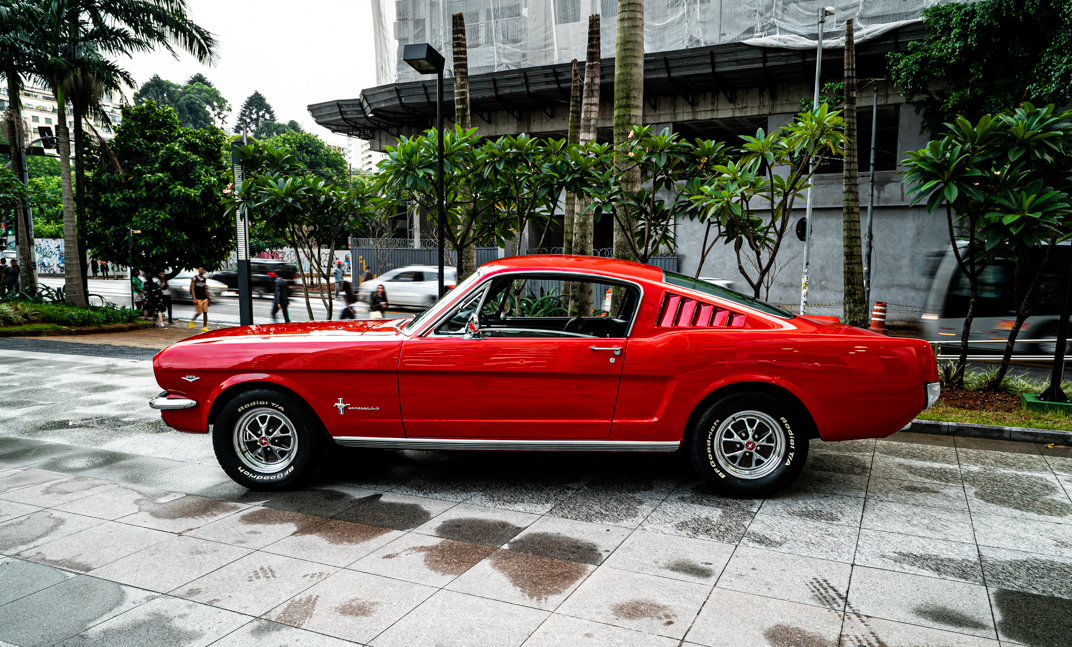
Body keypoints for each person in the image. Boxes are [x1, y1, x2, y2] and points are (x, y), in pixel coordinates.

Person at [188, 267, 210, 332]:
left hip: (204, 297)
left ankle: (205, 326)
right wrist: (194, 298)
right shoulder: (194, 278)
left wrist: (208, 297)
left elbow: (205, 288)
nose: (201, 271)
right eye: (200, 269)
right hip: (198, 298)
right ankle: (192, 320)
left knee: (205, 312)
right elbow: (192, 289)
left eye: (202, 269)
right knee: (198, 312)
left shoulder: (204, 279)